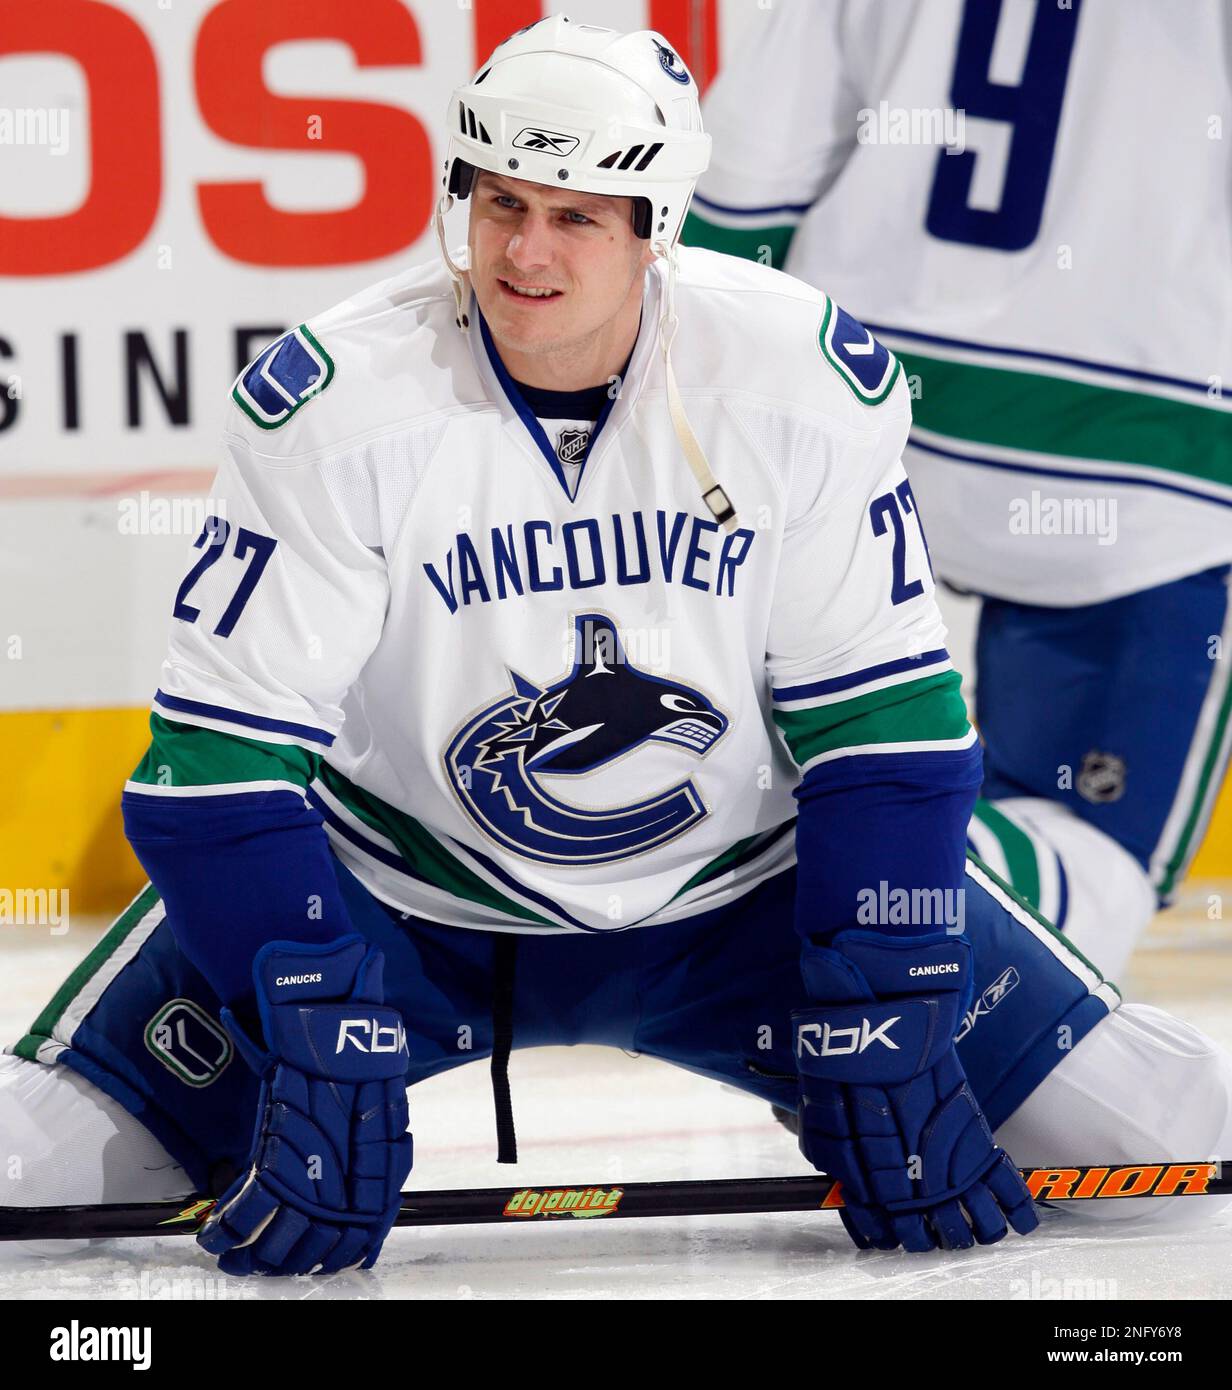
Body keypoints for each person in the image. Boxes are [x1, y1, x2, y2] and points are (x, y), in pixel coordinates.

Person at [2, 16, 1230, 1278]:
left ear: (658, 225)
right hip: (393, 906)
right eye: (499, 203)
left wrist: (890, 996)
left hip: (745, 901)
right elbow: (212, 772)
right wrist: (307, 1004)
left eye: (578, 217)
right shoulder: (335, 405)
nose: (525, 253)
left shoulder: (797, 381)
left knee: (1172, 1150)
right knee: (21, 1172)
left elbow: (883, 734)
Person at [683, 0, 1232, 980]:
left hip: (861, 422)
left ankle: (821, 900)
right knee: (1093, 850)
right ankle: (893, 944)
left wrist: (692, 416)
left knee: (800, 769)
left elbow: (743, 178)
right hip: (1148, 460)